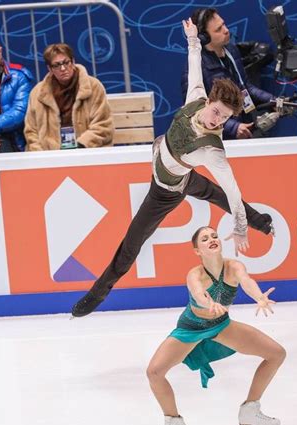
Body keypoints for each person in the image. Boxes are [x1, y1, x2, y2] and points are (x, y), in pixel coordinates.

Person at [71, 19, 274, 318]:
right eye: (216, 111)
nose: (217, 120)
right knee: (210, 191)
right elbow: (194, 62)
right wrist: (193, 39)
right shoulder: (196, 98)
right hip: (182, 173)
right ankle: (263, 221)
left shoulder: (213, 150)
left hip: (166, 190)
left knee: (133, 241)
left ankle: (95, 295)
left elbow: (233, 191)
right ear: (210, 100)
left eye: (224, 118)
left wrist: (241, 227)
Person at [145, 226, 286, 425]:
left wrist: (259, 296)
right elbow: (198, 292)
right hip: (191, 328)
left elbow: (246, 280)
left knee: (276, 353)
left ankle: (250, 409)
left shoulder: (234, 266)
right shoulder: (195, 274)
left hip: (221, 326)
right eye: (204, 238)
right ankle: (174, 424)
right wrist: (207, 303)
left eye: (214, 236)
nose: (211, 239)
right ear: (197, 251)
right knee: (154, 372)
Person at [181, 8, 278, 140]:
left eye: (223, 25)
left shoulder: (231, 50)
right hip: (219, 139)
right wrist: (233, 128)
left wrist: (273, 100)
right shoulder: (195, 68)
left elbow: (245, 87)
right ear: (204, 37)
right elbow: (196, 110)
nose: (226, 30)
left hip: (245, 126)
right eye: (218, 29)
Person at [24, 43, 113, 151]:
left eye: (66, 63)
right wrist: (42, 156)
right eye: (56, 65)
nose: (63, 68)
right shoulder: (38, 93)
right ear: (50, 68)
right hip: (50, 156)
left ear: (73, 62)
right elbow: (31, 132)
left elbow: (103, 126)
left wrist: (80, 146)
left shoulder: (93, 86)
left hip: (87, 151)